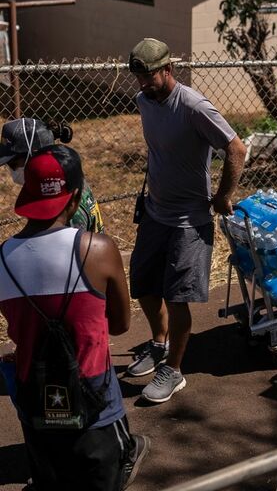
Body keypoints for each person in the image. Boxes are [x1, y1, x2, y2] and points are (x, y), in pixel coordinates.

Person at [0, 145, 149, 490]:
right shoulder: (99, 249)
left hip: (33, 399)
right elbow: (121, 324)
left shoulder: (3, 258)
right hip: (94, 402)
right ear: (76, 195)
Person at [127, 38, 247, 404]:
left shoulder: (193, 106)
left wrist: (223, 196)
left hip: (188, 221)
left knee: (177, 298)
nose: (144, 84)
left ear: (169, 70)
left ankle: (174, 370)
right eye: (139, 78)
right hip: (155, 212)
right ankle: (159, 342)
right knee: (143, 284)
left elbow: (236, 148)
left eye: (149, 76)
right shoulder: (144, 101)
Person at [0, 117, 103, 232]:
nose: (11, 170)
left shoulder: (64, 202)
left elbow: (74, 248)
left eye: (13, 163)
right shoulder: (60, 183)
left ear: (35, 156)